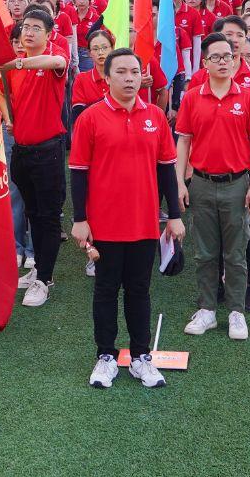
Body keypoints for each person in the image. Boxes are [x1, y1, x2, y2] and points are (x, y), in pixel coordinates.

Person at [69, 50, 185, 388]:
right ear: (107, 78)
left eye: (135, 71)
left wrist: (174, 216)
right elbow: (78, 172)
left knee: (139, 291)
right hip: (104, 224)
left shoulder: (156, 117)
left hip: (144, 223)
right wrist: (79, 218)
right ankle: (106, 356)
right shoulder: (90, 118)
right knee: (105, 290)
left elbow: (166, 171)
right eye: (121, 71)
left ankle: (140, 358)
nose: (130, 77)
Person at [176, 34, 250, 342]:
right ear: (204, 63)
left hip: (236, 185)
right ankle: (207, 310)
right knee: (205, 252)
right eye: (215, 57)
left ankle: (236, 312)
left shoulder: (248, 98)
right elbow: (184, 141)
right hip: (201, 184)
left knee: (236, 252)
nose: (223, 62)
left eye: (228, 56)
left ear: (236, 59)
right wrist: (179, 182)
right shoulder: (191, 97)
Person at [0, 7, 69, 308]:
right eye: (25, 27)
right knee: (31, 213)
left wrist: (18, 62)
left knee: (48, 217)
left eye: (35, 28)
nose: (28, 33)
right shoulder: (16, 69)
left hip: (48, 153)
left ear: (48, 33)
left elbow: (58, 61)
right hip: (22, 151)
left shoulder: (50, 59)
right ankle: (39, 269)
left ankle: (44, 278)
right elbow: (7, 95)